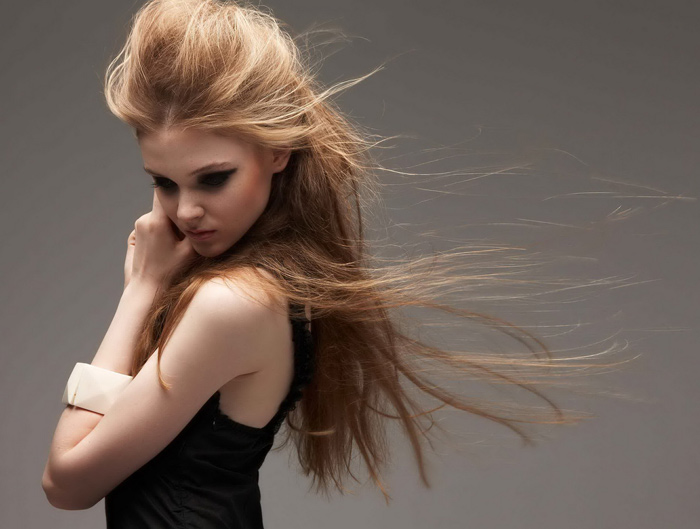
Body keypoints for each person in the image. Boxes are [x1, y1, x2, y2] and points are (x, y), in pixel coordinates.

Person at [41, 0, 632, 526]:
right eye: (164, 183)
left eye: (213, 178)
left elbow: (66, 483)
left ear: (278, 150)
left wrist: (141, 288)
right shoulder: (272, 286)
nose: (187, 210)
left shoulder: (233, 303)